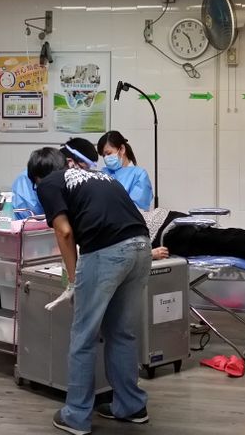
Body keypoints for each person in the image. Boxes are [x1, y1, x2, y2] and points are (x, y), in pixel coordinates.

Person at [28, 147, 152, 435]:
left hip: (108, 252)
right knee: (121, 332)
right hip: (141, 247)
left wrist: (73, 279)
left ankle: (76, 416)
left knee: (83, 336)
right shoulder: (96, 176)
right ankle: (131, 406)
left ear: (37, 177)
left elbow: (64, 231)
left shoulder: (48, 183)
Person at [9, 138, 98, 219]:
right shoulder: (27, 182)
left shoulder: (72, 181)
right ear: (70, 163)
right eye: (82, 168)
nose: (83, 174)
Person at [97, 131, 153, 211]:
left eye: (108, 153)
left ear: (122, 149)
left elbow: (137, 210)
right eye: (103, 156)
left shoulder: (139, 175)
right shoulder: (103, 173)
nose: (106, 158)